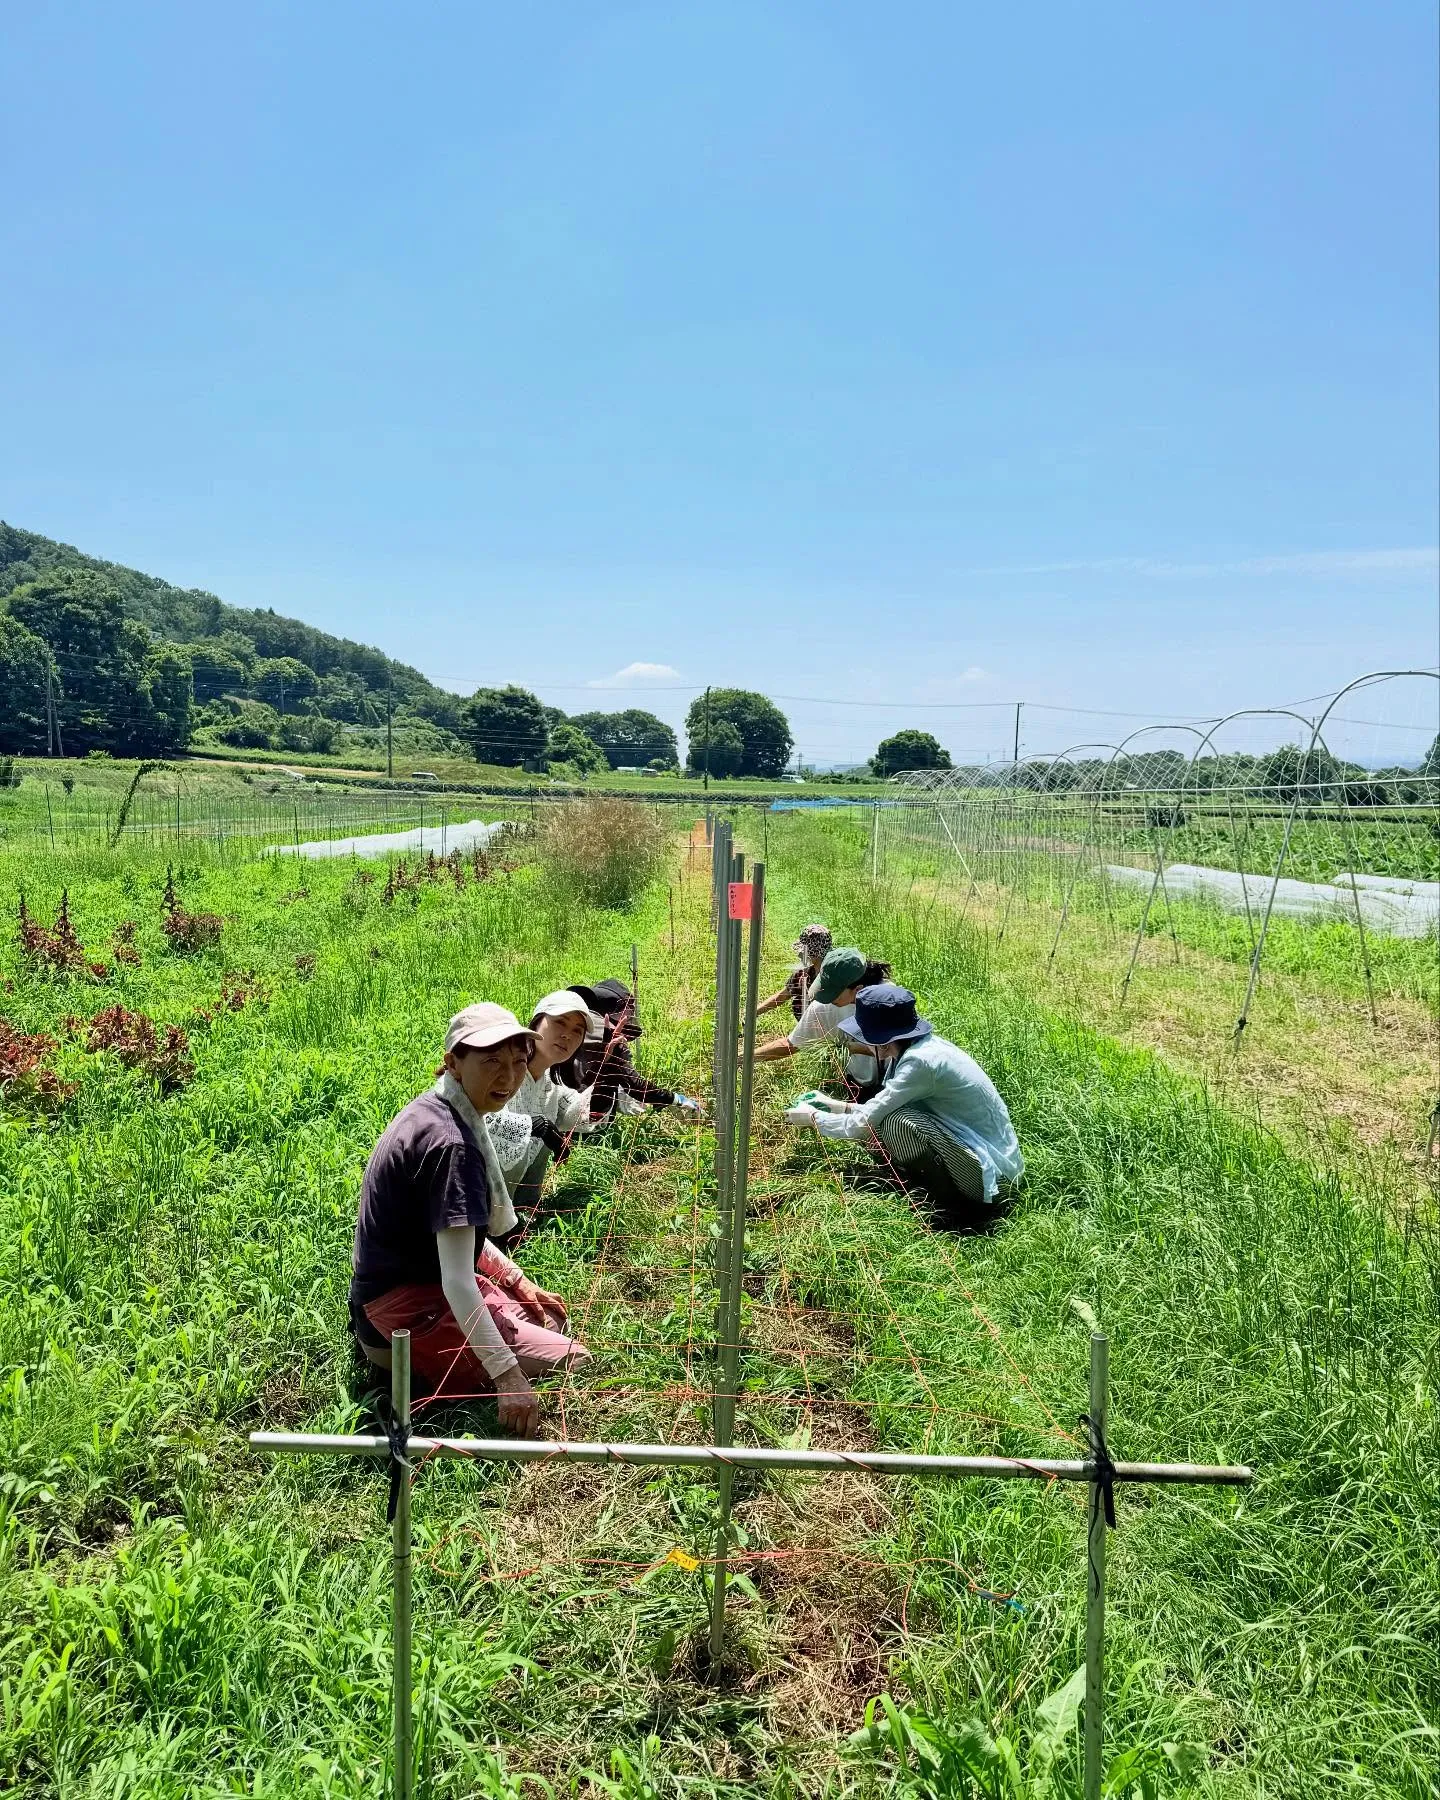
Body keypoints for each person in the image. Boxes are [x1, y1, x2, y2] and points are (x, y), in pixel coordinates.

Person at [349, 1002, 589, 1437]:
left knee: (551, 1318)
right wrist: (507, 1376)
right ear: (453, 1063)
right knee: (574, 1359)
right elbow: (458, 1280)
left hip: (403, 1288)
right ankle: (419, 1378)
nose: (508, 1077)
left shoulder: (436, 1107)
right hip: (405, 1310)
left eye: (517, 1062)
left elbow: (462, 1233)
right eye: (491, 1061)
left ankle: (463, 1356)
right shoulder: (453, 1146)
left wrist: (519, 1281)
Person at [783, 983, 1022, 1221]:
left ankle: (953, 1212)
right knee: (892, 1116)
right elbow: (880, 1106)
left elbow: (864, 1124)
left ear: (882, 1040)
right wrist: (837, 1106)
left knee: (898, 1122)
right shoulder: (917, 1050)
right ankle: (935, 1194)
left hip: (994, 1178)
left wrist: (814, 1118)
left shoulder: (920, 1064)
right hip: (980, 1155)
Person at [503, 989, 600, 1219]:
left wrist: (608, 1077)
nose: (567, 1035)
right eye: (560, 1023)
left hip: (507, 1212)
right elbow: (478, 1120)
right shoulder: (503, 1069)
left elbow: (576, 1115)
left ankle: (523, 1213)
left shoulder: (548, 1084)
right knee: (536, 1131)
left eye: (577, 1031)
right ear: (537, 1023)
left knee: (545, 1131)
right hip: (467, 1198)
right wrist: (537, 1126)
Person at [555, 979, 703, 1123]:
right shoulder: (613, 1037)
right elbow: (636, 1086)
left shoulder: (574, 1023)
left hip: (551, 1101)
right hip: (582, 1116)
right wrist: (674, 1098)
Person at [754, 946, 890, 1096]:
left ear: (857, 990)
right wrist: (743, 1058)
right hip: (855, 1084)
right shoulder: (826, 1007)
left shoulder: (889, 1001)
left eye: (834, 992)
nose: (828, 998)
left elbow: (897, 1048)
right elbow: (791, 1044)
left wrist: (850, 1047)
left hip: (891, 1084)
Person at [755, 924, 832, 1021]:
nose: (800, 954)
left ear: (814, 953)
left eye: (803, 951)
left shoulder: (834, 975)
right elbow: (781, 997)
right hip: (805, 1028)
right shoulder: (803, 974)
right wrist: (754, 1012)